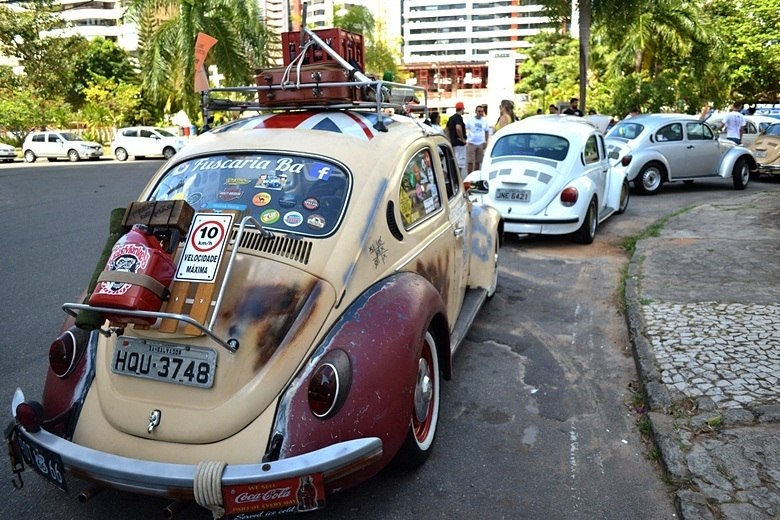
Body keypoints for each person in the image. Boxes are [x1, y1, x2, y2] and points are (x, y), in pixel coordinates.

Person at [465, 104, 490, 173]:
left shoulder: (484, 121)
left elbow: (487, 131)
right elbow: (466, 129)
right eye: (479, 111)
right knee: (470, 161)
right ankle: (469, 175)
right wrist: (467, 139)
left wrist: (485, 141)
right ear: (476, 111)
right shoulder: (471, 120)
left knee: (478, 161)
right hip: (471, 142)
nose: (480, 113)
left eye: (482, 111)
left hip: (480, 142)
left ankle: (476, 175)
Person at [446, 102, 468, 175]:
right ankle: (458, 177)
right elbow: (458, 128)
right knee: (460, 162)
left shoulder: (451, 118)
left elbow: (446, 129)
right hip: (459, 144)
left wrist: (449, 138)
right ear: (462, 109)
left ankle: (454, 177)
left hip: (453, 142)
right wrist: (462, 139)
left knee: (454, 161)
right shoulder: (459, 118)